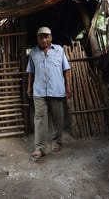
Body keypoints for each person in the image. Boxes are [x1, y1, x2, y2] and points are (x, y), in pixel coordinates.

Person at [26, 26, 72, 162]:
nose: (44, 39)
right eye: (41, 37)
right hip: (39, 90)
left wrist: (68, 86)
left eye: (46, 36)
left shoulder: (59, 50)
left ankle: (56, 141)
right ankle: (39, 148)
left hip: (57, 90)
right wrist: (29, 88)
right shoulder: (33, 53)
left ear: (51, 38)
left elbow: (67, 69)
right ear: (37, 39)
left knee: (58, 117)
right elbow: (31, 72)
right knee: (39, 118)